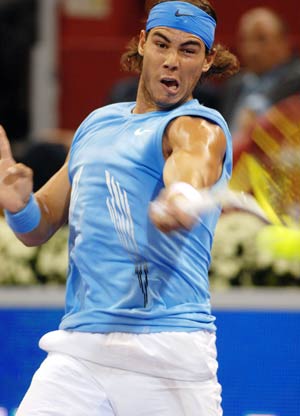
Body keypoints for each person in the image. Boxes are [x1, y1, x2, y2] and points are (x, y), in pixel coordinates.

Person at [0, 1, 239, 415]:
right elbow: (37, 227)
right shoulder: (97, 124)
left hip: (167, 353)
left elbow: (192, 163)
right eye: (162, 44)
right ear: (143, 43)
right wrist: (19, 204)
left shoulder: (200, 126)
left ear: (207, 60)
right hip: (79, 350)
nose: (172, 62)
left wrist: (181, 195)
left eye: (188, 50)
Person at [219, 7, 300, 140]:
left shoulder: (296, 81)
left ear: (284, 42)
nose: (252, 49)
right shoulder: (234, 85)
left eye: (261, 39)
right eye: (245, 40)